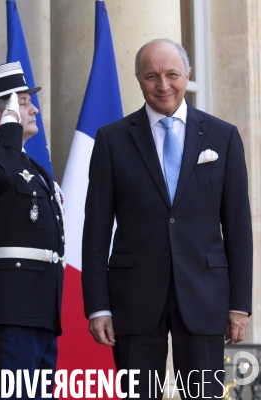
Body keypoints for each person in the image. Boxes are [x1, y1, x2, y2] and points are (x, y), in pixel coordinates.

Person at [82, 39, 252, 399]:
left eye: (172, 74)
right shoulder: (112, 140)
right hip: (134, 297)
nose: (163, 85)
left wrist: (239, 305)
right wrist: (98, 306)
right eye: (151, 76)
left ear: (187, 76)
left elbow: (238, 228)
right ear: (139, 81)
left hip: (205, 296)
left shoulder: (223, 136)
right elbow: (95, 231)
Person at [0, 62, 65, 400]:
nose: (33, 108)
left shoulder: (31, 168)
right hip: (7, 307)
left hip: (40, 309)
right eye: (22, 102)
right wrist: (9, 126)